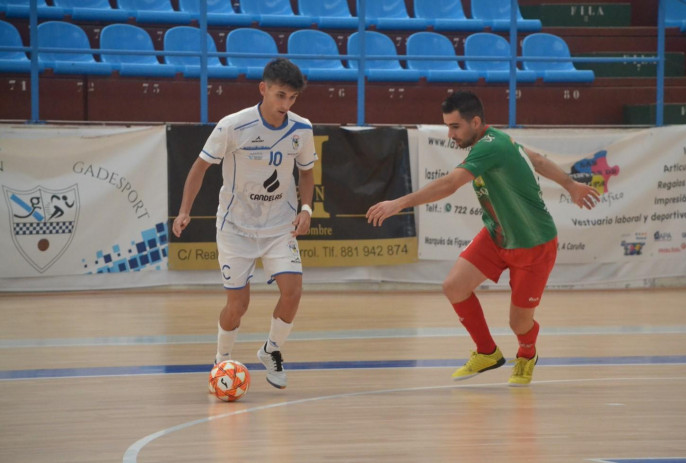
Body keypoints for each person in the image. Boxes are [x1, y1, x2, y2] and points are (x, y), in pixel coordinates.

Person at [366, 90, 599, 386]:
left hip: (533, 244)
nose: (450, 134)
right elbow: (537, 160)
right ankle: (487, 352)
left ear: (475, 122)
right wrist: (569, 184)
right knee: (454, 286)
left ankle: (527, 354)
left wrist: (398, 203)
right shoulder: (496, 140)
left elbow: (450, 184)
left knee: (519, 323)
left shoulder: (490, 147)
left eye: (455, 127)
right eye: (447, 126)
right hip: (497, 233)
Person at [172, 58, 316, 390]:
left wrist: (306, 208)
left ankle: (272, 350)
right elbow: (199, 168)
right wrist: (184, 211)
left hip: (280, 225)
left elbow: (306, 172)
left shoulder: (302, 129)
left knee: (293, 292)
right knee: (238, 305)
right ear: (263, 89)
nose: (286, 105)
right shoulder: (232, 126)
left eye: (292, 98)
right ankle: (221, 359)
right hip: (235, 227)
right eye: (280, 96)